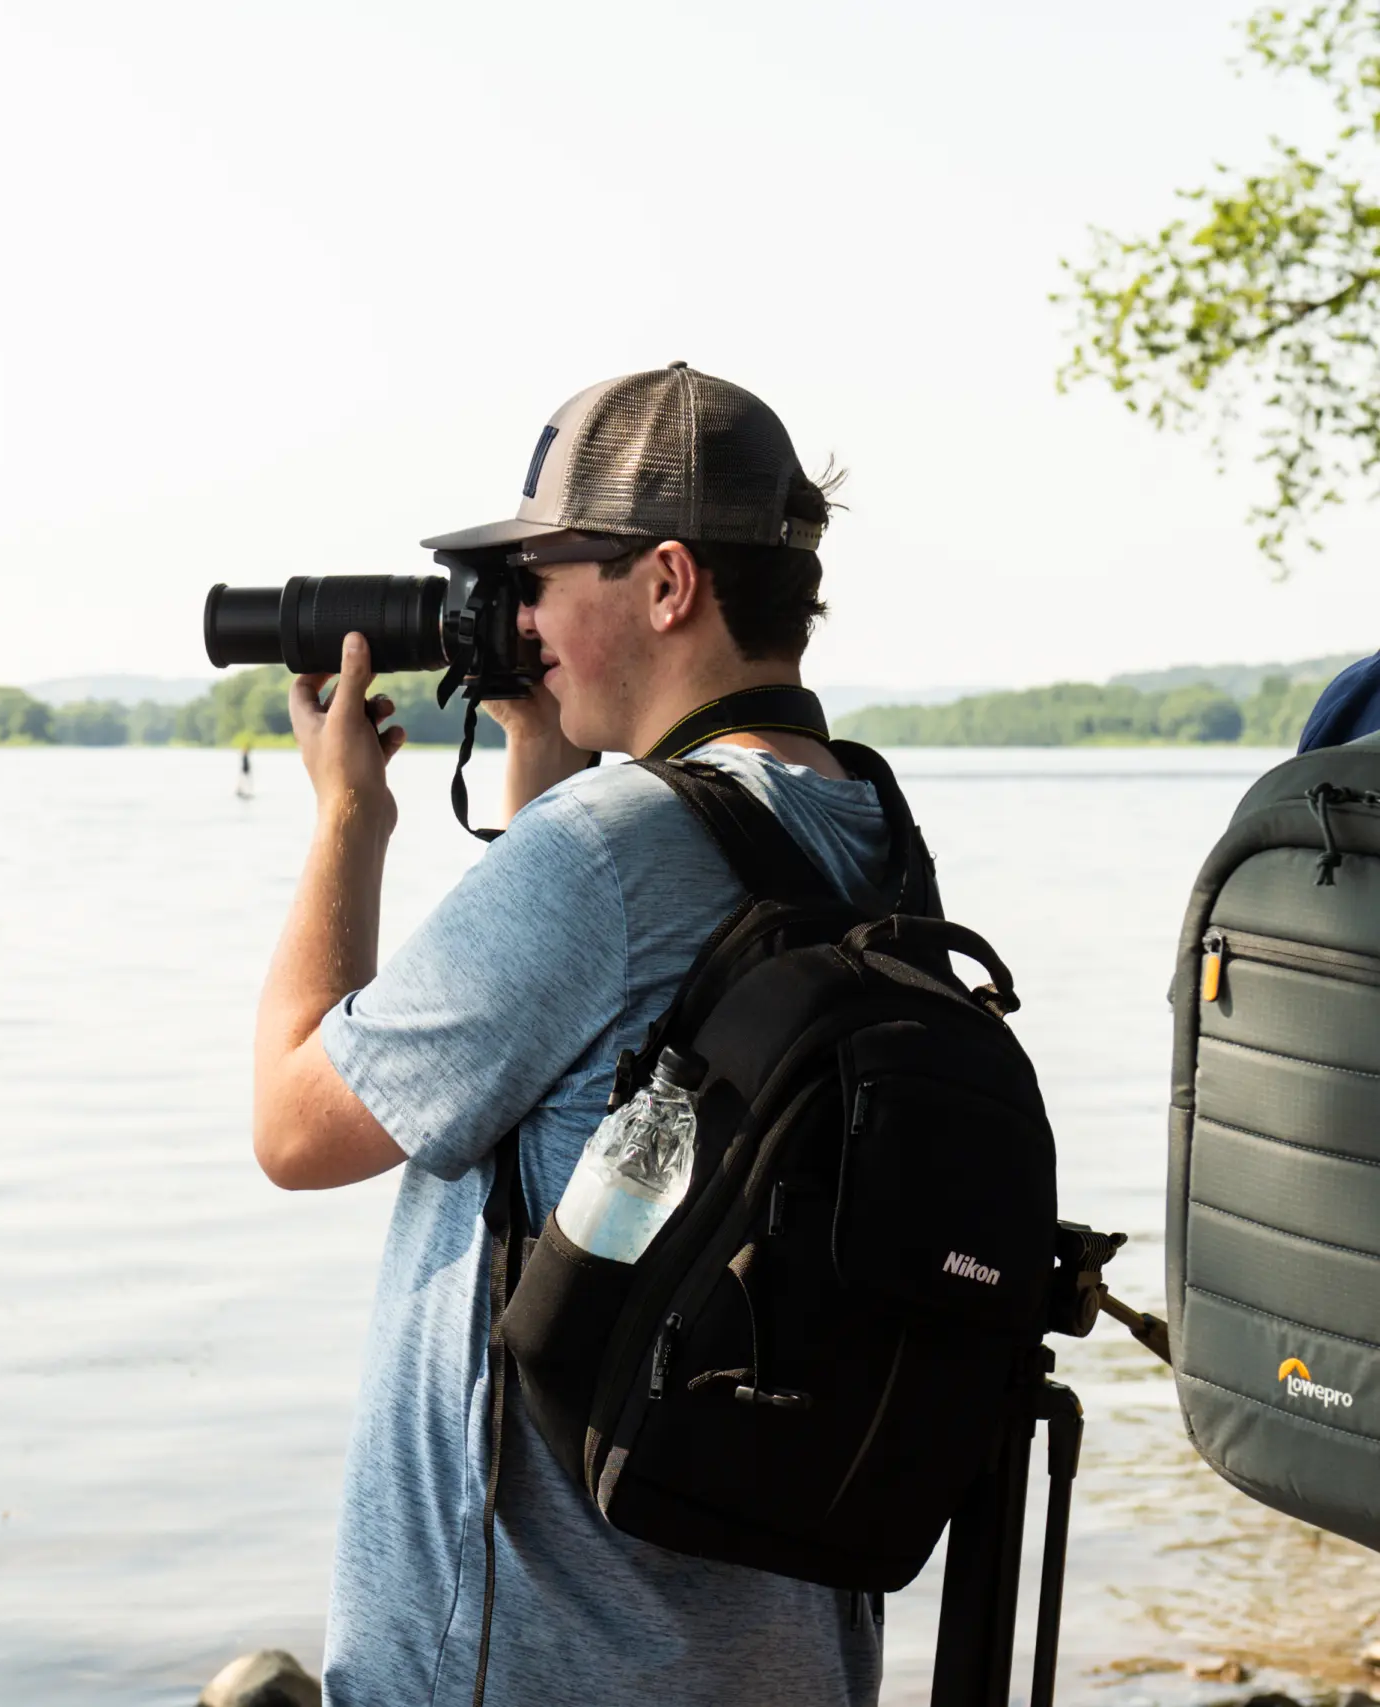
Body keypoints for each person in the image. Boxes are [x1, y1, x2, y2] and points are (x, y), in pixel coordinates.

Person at [251, 366, 891, 1706]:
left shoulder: (603, 856)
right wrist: (545, 756)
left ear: (667, 584)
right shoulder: (869, 834)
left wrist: (346, 825)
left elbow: (297, 1127)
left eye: (542, 578)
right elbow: (607, 1078)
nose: (521, 617)